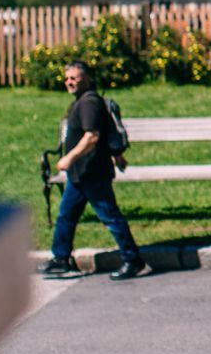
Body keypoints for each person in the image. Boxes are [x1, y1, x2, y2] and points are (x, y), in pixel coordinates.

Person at [41, 62, 145, 282]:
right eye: (67, 78)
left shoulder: (89, 102)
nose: (69, 82)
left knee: (110, 217)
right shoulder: (82, 101)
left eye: (74, 78)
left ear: (86, 79)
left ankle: (132, 259)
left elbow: (93, 136)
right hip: (80, 175)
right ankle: (61, 259)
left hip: (92, 173)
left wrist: (69, 158)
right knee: (66, 216)